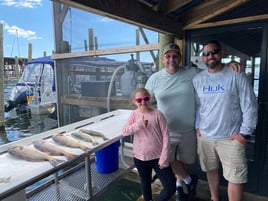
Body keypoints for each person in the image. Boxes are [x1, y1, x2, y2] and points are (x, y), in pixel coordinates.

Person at [145, 43, 243, 201]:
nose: (172, 59)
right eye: (168, 56)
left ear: (180, 58)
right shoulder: (154, 78)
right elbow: (144, 100)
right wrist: (144, 119)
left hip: (189, 129)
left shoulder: (192, 72)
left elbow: (213, 69)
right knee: (169, 160)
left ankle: (180, 188)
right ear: (163, 59)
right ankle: (189, 181)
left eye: (175, 55)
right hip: (166, 130)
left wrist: (230, 64)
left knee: (184, 161)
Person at [192, 40, 258, 201]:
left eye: (214, 52)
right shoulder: (197, 79)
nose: (210, 56)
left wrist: (244, 133)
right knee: (211, 170)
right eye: (206, 54)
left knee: (236, 177)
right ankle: (214, 198)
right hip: (206, 137)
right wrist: (197, 126)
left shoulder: (236, 74)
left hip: (231, 138)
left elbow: (250, 105)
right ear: (203, 58)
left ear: (221, 54)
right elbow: (198, 106)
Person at [122, 88, 176, 201]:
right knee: (145, 184)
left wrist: (164, 157)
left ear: (149, 99)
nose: (143, 102)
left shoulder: (157, 114)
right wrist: (139, 124)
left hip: (158, 157)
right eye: (139, 100)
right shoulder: (134, 115)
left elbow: (166, 136)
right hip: (140, 157)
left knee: (170, 187)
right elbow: (125, 131)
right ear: (134, 101)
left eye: (145, 98)